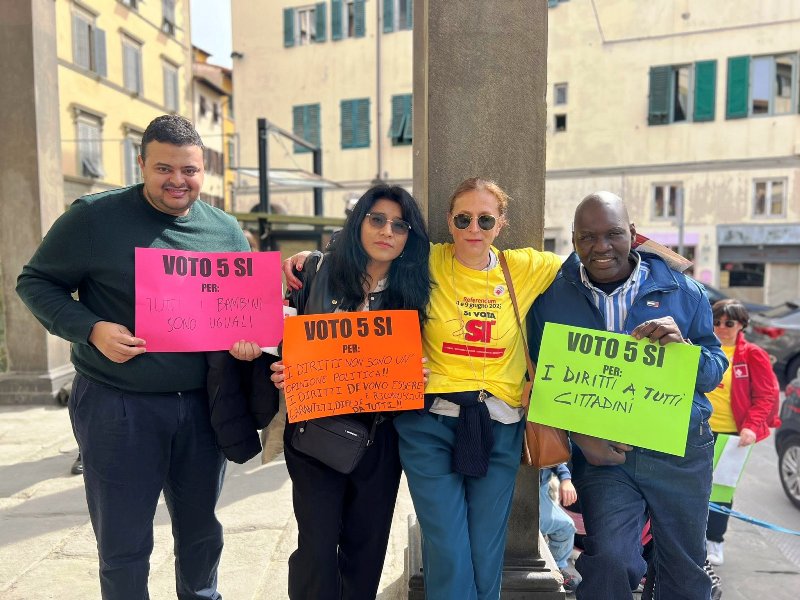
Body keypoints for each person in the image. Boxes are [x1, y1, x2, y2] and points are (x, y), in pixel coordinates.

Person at [285, 177, 562, 598]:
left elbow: (592, 265)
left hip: (499, 425)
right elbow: (373, 242)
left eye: (485, 219)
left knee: (486, 550)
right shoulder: (425, 260)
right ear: (448, 222)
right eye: (463, 217)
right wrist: (312, 257)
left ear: (500, 224)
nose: (474, 227)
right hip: (430, 422)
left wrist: (657, 268)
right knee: (448, 548)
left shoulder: (525, 266)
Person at [16, 115, 251, 600]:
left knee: (202, 534)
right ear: (140, 162)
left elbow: (241, 314)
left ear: (203, 168)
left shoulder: (226, 231)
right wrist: (91, 329)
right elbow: (35, 282)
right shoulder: (92, 218)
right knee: (123, 542)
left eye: (189, 170)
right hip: (117, 405)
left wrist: (248, 341)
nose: (177, 181)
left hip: (203, 411)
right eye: (163, 168)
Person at [528, 191, 728, 600]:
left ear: (633, 234)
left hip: (680, 451)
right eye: (587, 237)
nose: (601, 247)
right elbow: (541, 379)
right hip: (604, 458)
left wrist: (684, 348)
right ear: (573, 240)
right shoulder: (551, 298)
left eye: (613, 234)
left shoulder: (683, 291)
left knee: (684, 571)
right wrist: (582, 440)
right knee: (612, 563)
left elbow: (713, 371)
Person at [267, 185, 431, 599]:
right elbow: (275, 335)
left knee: (366, 550)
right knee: (317, 547)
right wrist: (282, 367)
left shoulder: (418, 289)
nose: (386, 231)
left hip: (382, 436)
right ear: (359, 221)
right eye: (377, 219)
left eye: (399, 225)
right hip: (315, 429)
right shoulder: (314, 272)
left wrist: (421, 373)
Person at [705, 299, 780, 566]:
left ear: (742, 325)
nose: (722, 328)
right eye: (716, 322)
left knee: (721, 491)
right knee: (692, 487)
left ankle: (715, 541)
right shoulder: (702, 346)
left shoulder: (752, 355)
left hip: (732, 435)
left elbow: (766, 395)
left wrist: (750, 426)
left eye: (729, 323)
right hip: (698, 431)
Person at [539, 463, 580, 593]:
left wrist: (565, 477)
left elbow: (554, 453)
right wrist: (565, 477)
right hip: (525, 484)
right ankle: (554, 571)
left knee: (566, 526)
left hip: (542, 486)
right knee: (565, 526)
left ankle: (556, 569)